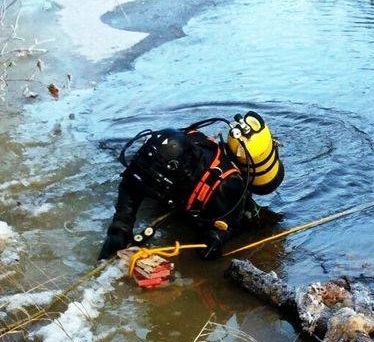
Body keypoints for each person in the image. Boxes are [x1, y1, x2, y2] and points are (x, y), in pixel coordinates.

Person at [98, 112, 283, 261]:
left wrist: (214, 239)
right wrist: (120, 227)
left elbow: (226, 225)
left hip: (221, 200)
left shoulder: (227, 186)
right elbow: (133, 181)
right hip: (188, 190)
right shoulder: (169, 149)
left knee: (258, 223)